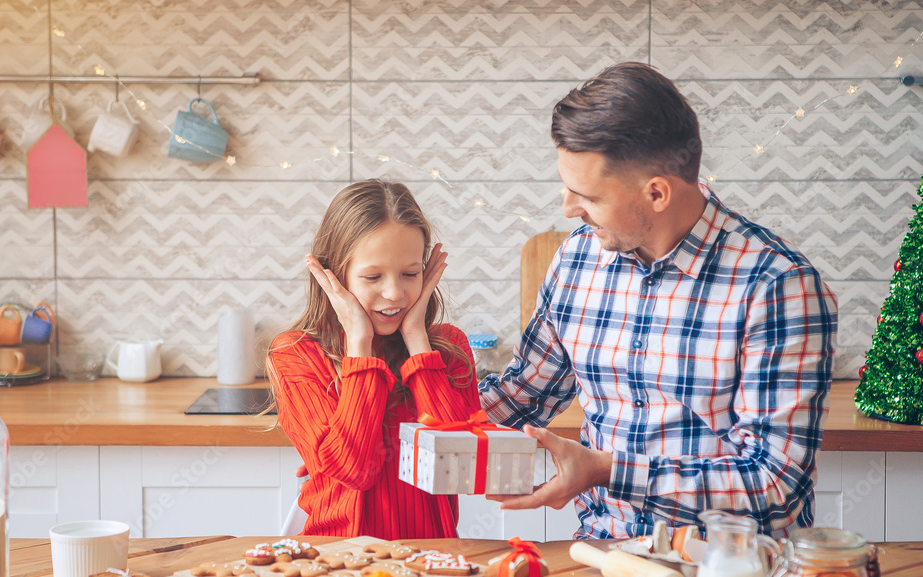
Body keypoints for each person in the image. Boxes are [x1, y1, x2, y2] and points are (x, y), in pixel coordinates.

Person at [479, 62, 838, 539]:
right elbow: (523, 395)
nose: (568, 209)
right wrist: (403, 395)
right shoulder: (577, 257)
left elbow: (773, 483)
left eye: (585, 194)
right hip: (603, 559)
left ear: (657, 192)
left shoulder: (777, 286)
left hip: (732, 573)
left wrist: (609, 470)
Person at [268, 179, 479, 539]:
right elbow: (354, 471)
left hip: (432, 557)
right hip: (335, 561)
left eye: (410, 274)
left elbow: (461, 466)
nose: (395, 292)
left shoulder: (447, 348)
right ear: (333, 275)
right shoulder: (296, 354)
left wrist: (417, 340)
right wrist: (360, 346)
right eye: (373, 276)